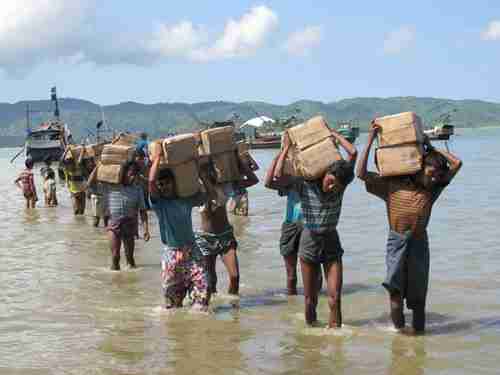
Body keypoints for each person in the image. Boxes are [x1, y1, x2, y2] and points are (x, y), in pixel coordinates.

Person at [356, 122, 462, 334]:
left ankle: (419, 342)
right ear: (419, 167)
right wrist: (369, 139)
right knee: (395, 296)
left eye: (438, 176)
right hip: (396, 242)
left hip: (419, 243)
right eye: (431, 173)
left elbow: (457, 163)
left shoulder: (433, 191)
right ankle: (399, 338)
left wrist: (428, 146)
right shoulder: (392, 186)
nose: (435, 179)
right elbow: (360, 173)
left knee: (418, 300)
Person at [271, 130, 357, 328]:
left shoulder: (341, 186)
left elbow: (352, 153)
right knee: (310, 300)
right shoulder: (305, 185)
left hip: (331, 241)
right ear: (325, 173)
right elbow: (278, 174)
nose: (332, 187)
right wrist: (285, 149)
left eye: (337, 185)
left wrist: (332, 134)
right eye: (331, 181)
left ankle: (335, 342)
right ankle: (311, 340)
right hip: (309, 240)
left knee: (335, 298)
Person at [149, 155, 210, 311]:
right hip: (171, 255)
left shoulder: (186, 200)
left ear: (174, 182)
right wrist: (157, 158)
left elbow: (209, 195)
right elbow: (150, 183)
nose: (164, 187)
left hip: (192, 252)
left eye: (167, 183)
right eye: (160, 184)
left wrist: (201, 173)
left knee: (202, 297)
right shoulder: (159, 204)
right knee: (172, 305)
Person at [196, 160, 259, 296]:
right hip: (205, 240)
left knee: (235, 276)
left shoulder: (225, 187)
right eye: (207, 172)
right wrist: (201, 174)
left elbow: (254, 180)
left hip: (225, 237)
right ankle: (213, 310)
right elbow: (210, 195)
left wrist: (238, 159)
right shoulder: (198, 191)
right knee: (210, 283)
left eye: (213, 170)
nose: (211, 173)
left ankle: (234, 308)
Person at [265, 147, 304, 296]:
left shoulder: (309, 180)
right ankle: (293, 300)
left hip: (305, 227)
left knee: (309, 270)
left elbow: (274, 177)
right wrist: (279, 156)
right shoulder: (293, 181)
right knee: (292, 274)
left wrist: (283, 151)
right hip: (292, 225)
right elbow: (269, 182)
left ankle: (301, 302)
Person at [101, 161, 151, 270]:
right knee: (115, 257)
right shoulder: (111, 186)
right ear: (123, 173)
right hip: (113, 225)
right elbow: (90, 183)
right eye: (131, 174)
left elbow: (142, 211)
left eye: (136, 174)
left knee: (130, 259)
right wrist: (99, 166)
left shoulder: (137, 190)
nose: (133, 177)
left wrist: (146, 230)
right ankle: (115, 283)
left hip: (129, 225)